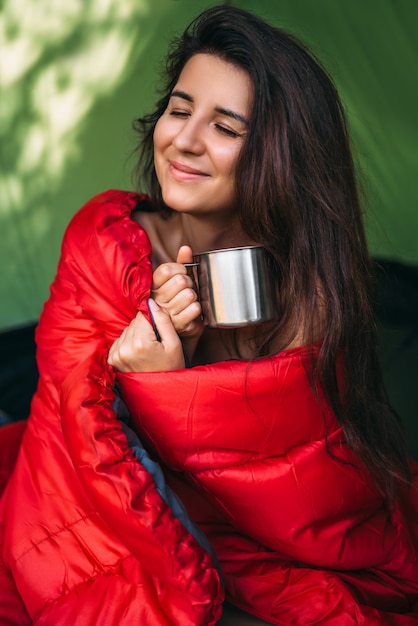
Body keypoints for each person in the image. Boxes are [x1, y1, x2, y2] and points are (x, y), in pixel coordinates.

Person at [0, 4, 417, 625]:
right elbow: (71, 412)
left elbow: (303, 481)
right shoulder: (104, 238)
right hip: (106, 512)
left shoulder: (308, 283)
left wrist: (186, 378)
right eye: (179, 109)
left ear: (280, 154)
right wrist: (144, 381)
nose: (185, 141)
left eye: (226, 127)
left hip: (248, 527)